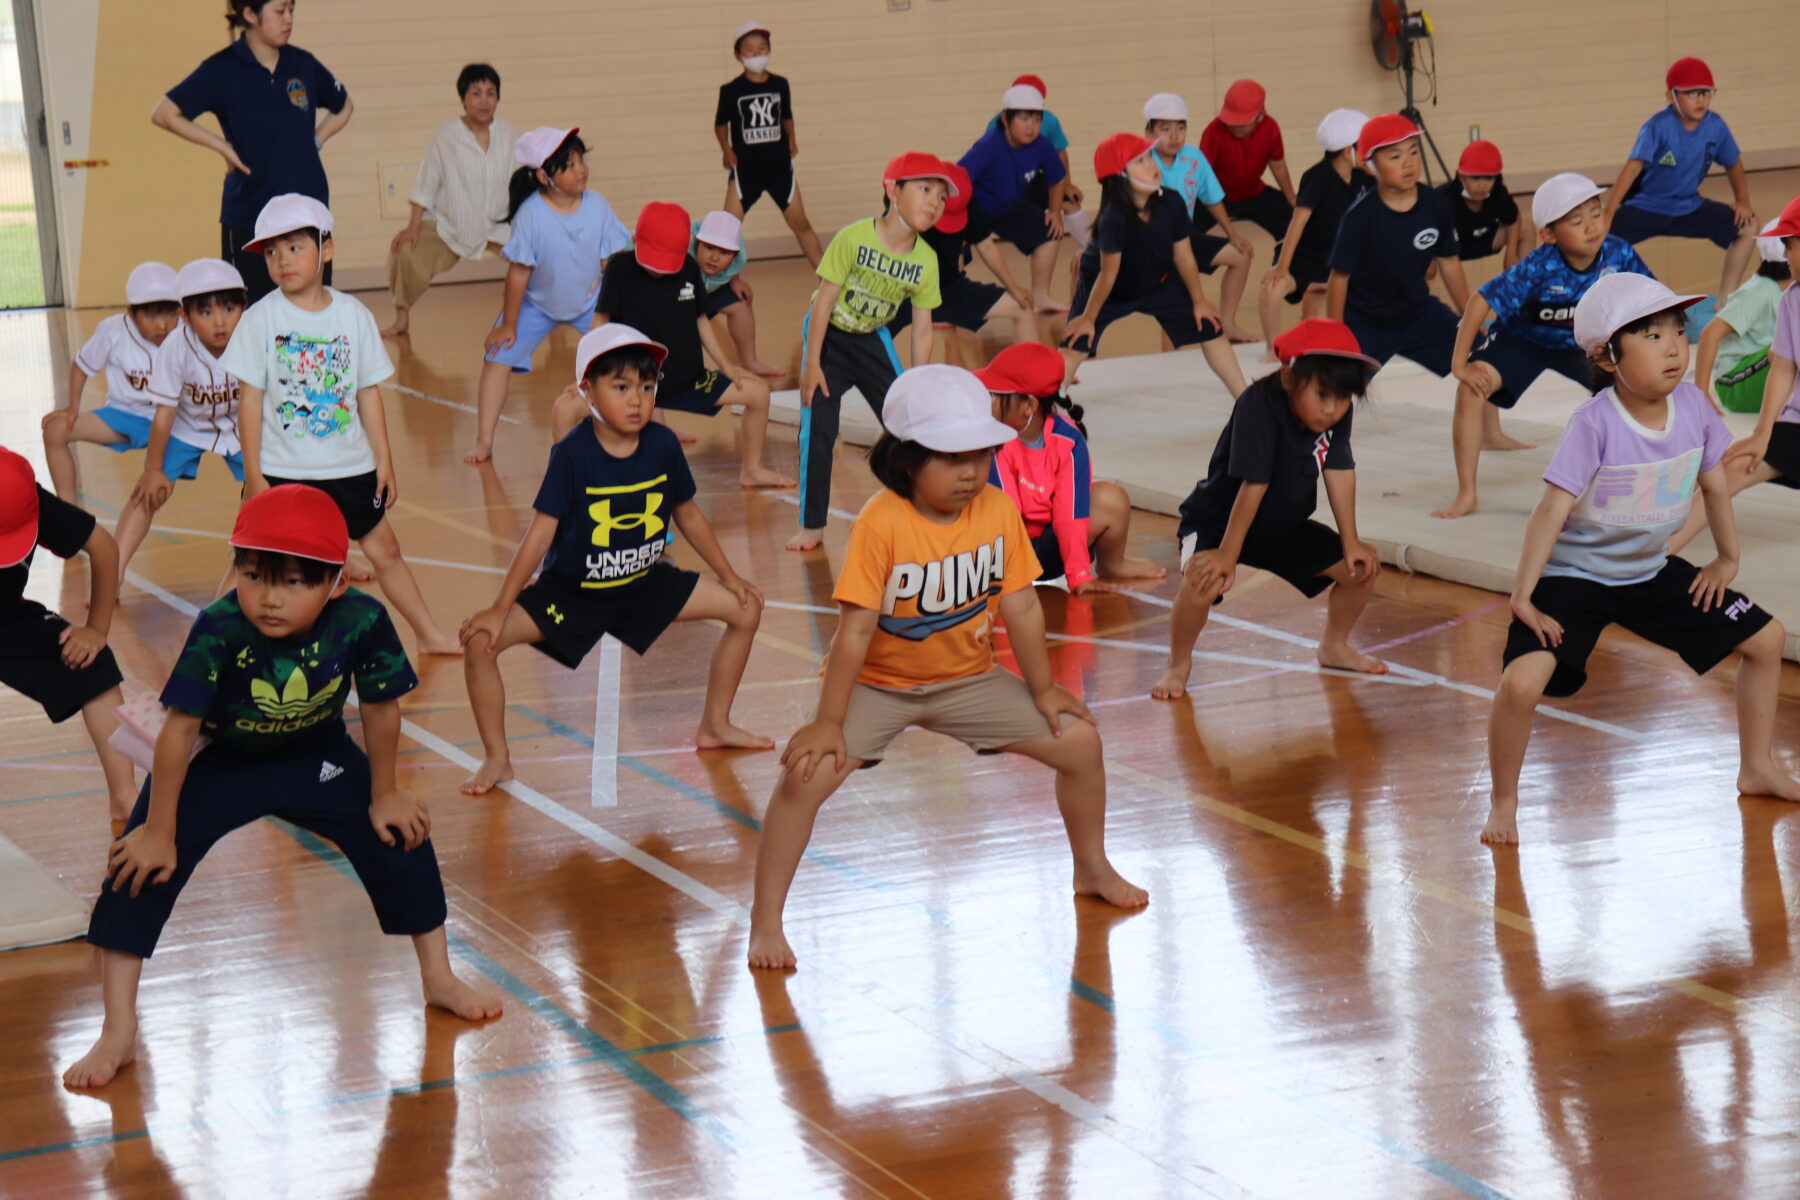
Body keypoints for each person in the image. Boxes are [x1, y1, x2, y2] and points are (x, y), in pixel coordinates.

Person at [62, 485, 503, 1090]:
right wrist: (158, 831)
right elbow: (179, 730)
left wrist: (385, 792)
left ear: (337, 583)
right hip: (221, 762)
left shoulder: (363, 621)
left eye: (295, 582)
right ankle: (118, 1030)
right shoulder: (217, 627)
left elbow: (379, 710)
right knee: (135, 868)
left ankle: (439, 978)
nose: (270, 598)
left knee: (402, 837)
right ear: (236, 568)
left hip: (314, 754)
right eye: (254, 575)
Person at [746, 365, 1148, 970]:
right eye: (950, 458)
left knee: (1081, 744)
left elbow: (1020, 606)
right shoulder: (882, 522)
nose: (969, 472)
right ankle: (766, 921)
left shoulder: (994, 509)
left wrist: (1043, 690)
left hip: (968, 680)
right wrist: (830, 722)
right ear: (908, 458)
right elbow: (853, 632)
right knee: (803, 778)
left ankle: (1091, 868)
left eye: (980, 455)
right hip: (878, 686)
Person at [1482, 273, 1799, 845]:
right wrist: (1524, 594)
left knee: (1767, 639)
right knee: (1522, 685)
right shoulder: (1595, 424)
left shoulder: (1696, 408)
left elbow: (1716, 487)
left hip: (1649, 572)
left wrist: (1727, 559)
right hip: (1574, 580)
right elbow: (1550, 511)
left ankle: (1757, 767)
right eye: (1652, 335)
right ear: (1607, 356)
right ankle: (1504, 802)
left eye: (1679, 330)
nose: (1675, 345)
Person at [459, 325, 772, 797]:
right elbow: (539, 535)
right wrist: (501, 607)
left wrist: (730, 576)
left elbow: (688, 514)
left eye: (647, 388)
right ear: (586, 390)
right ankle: (498, 757)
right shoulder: (571, 455)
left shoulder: (664, 445)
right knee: (481, 641)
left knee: (746, 608)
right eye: (621, 387)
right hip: (573, 595)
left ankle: (715, 725)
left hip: (644, 586)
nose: (637, 401)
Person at [223, 194, 462, 656]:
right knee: (251, 561)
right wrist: (253, 474)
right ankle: (217, 646)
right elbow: (248, 402)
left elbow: (368, 392)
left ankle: (429, 635)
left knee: (386, 552)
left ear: (326, 249)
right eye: (271, 252)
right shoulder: (260, 319)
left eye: (294, 247)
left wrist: (384, 460)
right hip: (280, 469)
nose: (281, 261)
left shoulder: (352, 316)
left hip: (349, 468)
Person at [1150, 320, 1388, 699]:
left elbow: (1339, 469)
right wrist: (1227, 554)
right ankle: (1178, 664)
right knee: (1202, 581)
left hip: (1281, 526)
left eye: (1342, 398)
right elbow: (1253, 484)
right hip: (1219, 521)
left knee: (1359, 570)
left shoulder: (1332, 415)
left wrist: (1352, 541)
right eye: (1322, 393)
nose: (1331, 409)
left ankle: (1334, 646)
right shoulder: (1257, 405)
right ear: (1290, 378)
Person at [1432, 173, 1654, 520]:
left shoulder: (1618, 253)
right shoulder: (1539, 266)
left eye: (1596, 214)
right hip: (1523, 340)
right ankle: (1466, 494)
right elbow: (1480, 300)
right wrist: (1460, 364)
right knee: (1471, 389)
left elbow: (1651, 298)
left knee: (1632, 395)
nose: (1592, 226)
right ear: (1549, 235)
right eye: (1576, 221)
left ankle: (1632, 480)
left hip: (1583, 345)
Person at [553, 201, 792, 488]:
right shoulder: (619, 268)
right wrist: (584, 376)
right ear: (635, 241)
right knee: (564, 409)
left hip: (686, 379)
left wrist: (727, 366)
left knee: (758, 393)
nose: (659, 269)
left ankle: (751, 470)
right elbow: (600, 322)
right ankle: (564, 484)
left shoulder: (689, 268)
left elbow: (701, 321)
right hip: (631, 383)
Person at [789, 152, 949, 552]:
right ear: (893, 191)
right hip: (827, 339)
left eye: (942, 196)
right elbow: (822, 305)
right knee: (819, 431)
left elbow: (923, 328)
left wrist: (917, 383)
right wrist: (811, 365)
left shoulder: (926, 260)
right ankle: (812, 525)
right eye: (925, 189)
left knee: (907, 424)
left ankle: (921, 505)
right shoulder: (853, 238)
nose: (935, 202)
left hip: (870, 339)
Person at [152, 0, 350, 302]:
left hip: (307, 211)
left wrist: (315, 141)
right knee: (248, 312)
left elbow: (343, 106)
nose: (289, 19)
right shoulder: (221, 69)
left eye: (292, 11)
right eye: (280, 11)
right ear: (249, 14)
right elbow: (165, 113)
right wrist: (222, 147)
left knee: (313, 311)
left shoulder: (303, 63)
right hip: (248, 214)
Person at [465, 127, 631, 464]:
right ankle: (484, 440)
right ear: (543, 176)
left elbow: (610, 262)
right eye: (569, 165)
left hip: (590, 302)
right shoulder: (531, 215)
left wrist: (616, 312)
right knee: (497, 358)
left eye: (581, 161)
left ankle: (653, 425)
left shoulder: (597, 206)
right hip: (536, 305)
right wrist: (509, 324)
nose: (581, 169)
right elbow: (518, 274)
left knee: (628, 357)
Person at [0, 447, 137, 836]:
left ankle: (125, 800)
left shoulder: (22, 498)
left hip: (6, 618)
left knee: (92, 665)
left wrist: (96, 629)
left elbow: (104, 548)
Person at [1058, 133, 1249, 400]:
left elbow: (1184, 257)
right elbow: (1108, 273)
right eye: (1139, 161)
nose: (1151, 165)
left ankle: (1245, 400)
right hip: (1107, 288)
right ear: (1120, 176)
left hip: (1159, 282)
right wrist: (1088, 319)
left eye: (1149, 157)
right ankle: (1050, 409)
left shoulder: (1171, 202)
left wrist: (1199, 300)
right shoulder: (1114, 218)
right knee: (1076, 341)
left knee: (1210, 326)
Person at [975, 342, 1164, 594]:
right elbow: (1006, 514)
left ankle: (1112, 565)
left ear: (1029, 406)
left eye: (995, 396)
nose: (988, 401)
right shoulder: (993, 439)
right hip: (1004, 553)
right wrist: (1012, 580)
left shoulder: (1068, 439)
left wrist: (1078, 576)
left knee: (1111, 498)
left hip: (1055, 550)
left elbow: (1071, 512)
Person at [1670, 198, 1800, 550]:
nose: (1785, 255)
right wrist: (1763, 432)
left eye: (1790, 245)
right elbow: (1784, 366)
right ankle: (1654, 555)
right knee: (1732, 465)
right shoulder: (1792, 299)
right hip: (1792, 423)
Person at [116, 258, 250, 575]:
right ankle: (115, 569)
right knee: (147, 494)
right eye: (206, 312)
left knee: (271, 485)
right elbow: (164, 414)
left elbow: (259, 402)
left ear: (244, 308)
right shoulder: (175, 348)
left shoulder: (252, 337)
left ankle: (247, 556)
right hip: (186, 427)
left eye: (229, 310)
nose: (220, 322)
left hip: (241, 426)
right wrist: (152, 469)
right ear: (184, 317)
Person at [1602, 57, 1758, 300]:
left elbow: (1733, 164)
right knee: (1598, 239)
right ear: (1670, 96)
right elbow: (1632, 168)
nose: (1701, 99)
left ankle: (1726, 301)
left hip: (1689, 207)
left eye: (1706, 93)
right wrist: (1609, 211)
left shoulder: (1716, 126)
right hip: (1647, 208)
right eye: (1691, 93)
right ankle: (1602, 303)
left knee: (1749, 226)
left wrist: (1743, 200)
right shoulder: (1657, 126)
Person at [1326, 114, 1470, 378]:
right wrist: (1337, 334)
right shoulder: (1359, 218)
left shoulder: (1437, 205)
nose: (1408, 163)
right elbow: (1339, 279)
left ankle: (1480, 422)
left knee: (1479, 357)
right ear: (1370, 166)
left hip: (1418, 314)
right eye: (1394, 157)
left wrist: (1470, 317)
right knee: (1338, 382)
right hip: (1365, 322)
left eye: (1414, 151)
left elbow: (1449, 263)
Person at [382, 63, 518, 338]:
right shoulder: (445, 137)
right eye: (476, 93)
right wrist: (413, 226)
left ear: (498, 99)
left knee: (542, 257)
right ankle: (401, 318)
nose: (484, 101)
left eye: (490, 93)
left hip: (500, 224)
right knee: (404, 251)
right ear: (463, 98)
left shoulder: (510, 134)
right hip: (451, 224)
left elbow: (522, 182)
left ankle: (551, 320)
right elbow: (426, 183)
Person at [40, 263, 181, 501]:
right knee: (55, 430)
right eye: (151, 316)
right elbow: (81, 366)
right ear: (130, 312)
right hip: (125, 417)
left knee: (150, 495)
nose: (162, 325)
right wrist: (72, 407)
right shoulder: (113, 331)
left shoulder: (189, 331)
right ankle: (69, 512)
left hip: (176, 426)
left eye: (170, 314)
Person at [883, 162, 1035, 367]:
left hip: (951, 289)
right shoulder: (912, 212)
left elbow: (987, 247)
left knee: (1021, 306)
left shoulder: (969, 204)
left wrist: (1013, 288)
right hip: (906, 292)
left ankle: (1036, 372)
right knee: (872, 336)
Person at [1142, 93, 1258, 345]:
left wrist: (1232, 234)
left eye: (1180, 128)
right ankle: (1171, 353)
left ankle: (1228, 324)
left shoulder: (1194, 157)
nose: (1174, 136)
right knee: (1174, 295)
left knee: (1241, 255)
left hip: (1185, 237)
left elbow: (1212, 198)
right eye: (1165, 129)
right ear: (1149, 132)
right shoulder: (1142, 162)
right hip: (1154, 244)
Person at [1262, 109, 1372, 356]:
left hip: (1335, 260)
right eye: (1365, 146)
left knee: (1323, 301)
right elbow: (1297, 222)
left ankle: (1313, 340)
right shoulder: (1317, 177)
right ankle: (1272, 347)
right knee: (1271, 290)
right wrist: (1281, 266)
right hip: (1303, 258)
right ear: (1347, 151)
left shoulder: (1363, 176)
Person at [715, 21, 823, 266]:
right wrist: (726, 149)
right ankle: (719, 289)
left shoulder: (780, 84)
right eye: (750, 49)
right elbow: (720, 124)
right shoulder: (731, 90)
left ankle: (831, 285)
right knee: (724, 232)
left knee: (802, 225)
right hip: (746, 172)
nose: (757, 54)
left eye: (762, 48)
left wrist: (793, 140)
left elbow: (786, 116)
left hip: (779, 170)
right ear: (738, 55)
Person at [958, 83, 1070, 314]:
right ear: (1006, 120)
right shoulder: (989, 145)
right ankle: (950, 304)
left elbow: (1057, 177)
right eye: (1025, 119)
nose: (1032, 127)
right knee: (954, 249)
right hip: (974, 207)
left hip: (1007, 207)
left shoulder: (1041, 146)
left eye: (1038, 120)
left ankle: (1040, 296)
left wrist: (1056, 211)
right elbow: (959, 179)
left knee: (1051, 232)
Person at [1694, 219, 1791, 414]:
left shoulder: (1791, 290)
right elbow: (1710, 334)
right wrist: (1700, 395)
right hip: (1734, 383)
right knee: (1785, 350)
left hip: (1763, 375)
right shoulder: (1759, 291)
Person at [1198, 80, 1296, 261]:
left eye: (1241, 124)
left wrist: (1292, 199)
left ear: (1261, 116)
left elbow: (1278, 164)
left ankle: (1283, 268)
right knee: (1182, 229)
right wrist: (1231, 232)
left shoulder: (1270, 127)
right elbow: (1203, 181)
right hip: (1216, 197)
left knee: (1295, 219)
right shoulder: (1213, 132)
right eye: (1231, 122)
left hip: (1253, 193)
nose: (1234, 127)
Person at [690, 210, 786, 381]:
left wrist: (735, 280)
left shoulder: (737, 260)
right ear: (697, 243)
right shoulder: (684, 249)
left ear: (734, 256)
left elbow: (734, 267)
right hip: (684, 294)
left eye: (724, 253)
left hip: (709, 290)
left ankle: (749, 361)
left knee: (741, 305)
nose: (714, 257)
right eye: (709, 247)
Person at [1439, 140, 1524, 268]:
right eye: (1475, 178)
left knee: (1526, 229)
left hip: (1483, 241)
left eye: (1489, 178)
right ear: (1461, 176)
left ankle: (1523, 281)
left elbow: (1514, 219)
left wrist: (1511, 254)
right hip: (1450, 250)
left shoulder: (1499, 194)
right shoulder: (1442, 198)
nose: (1482, 185)